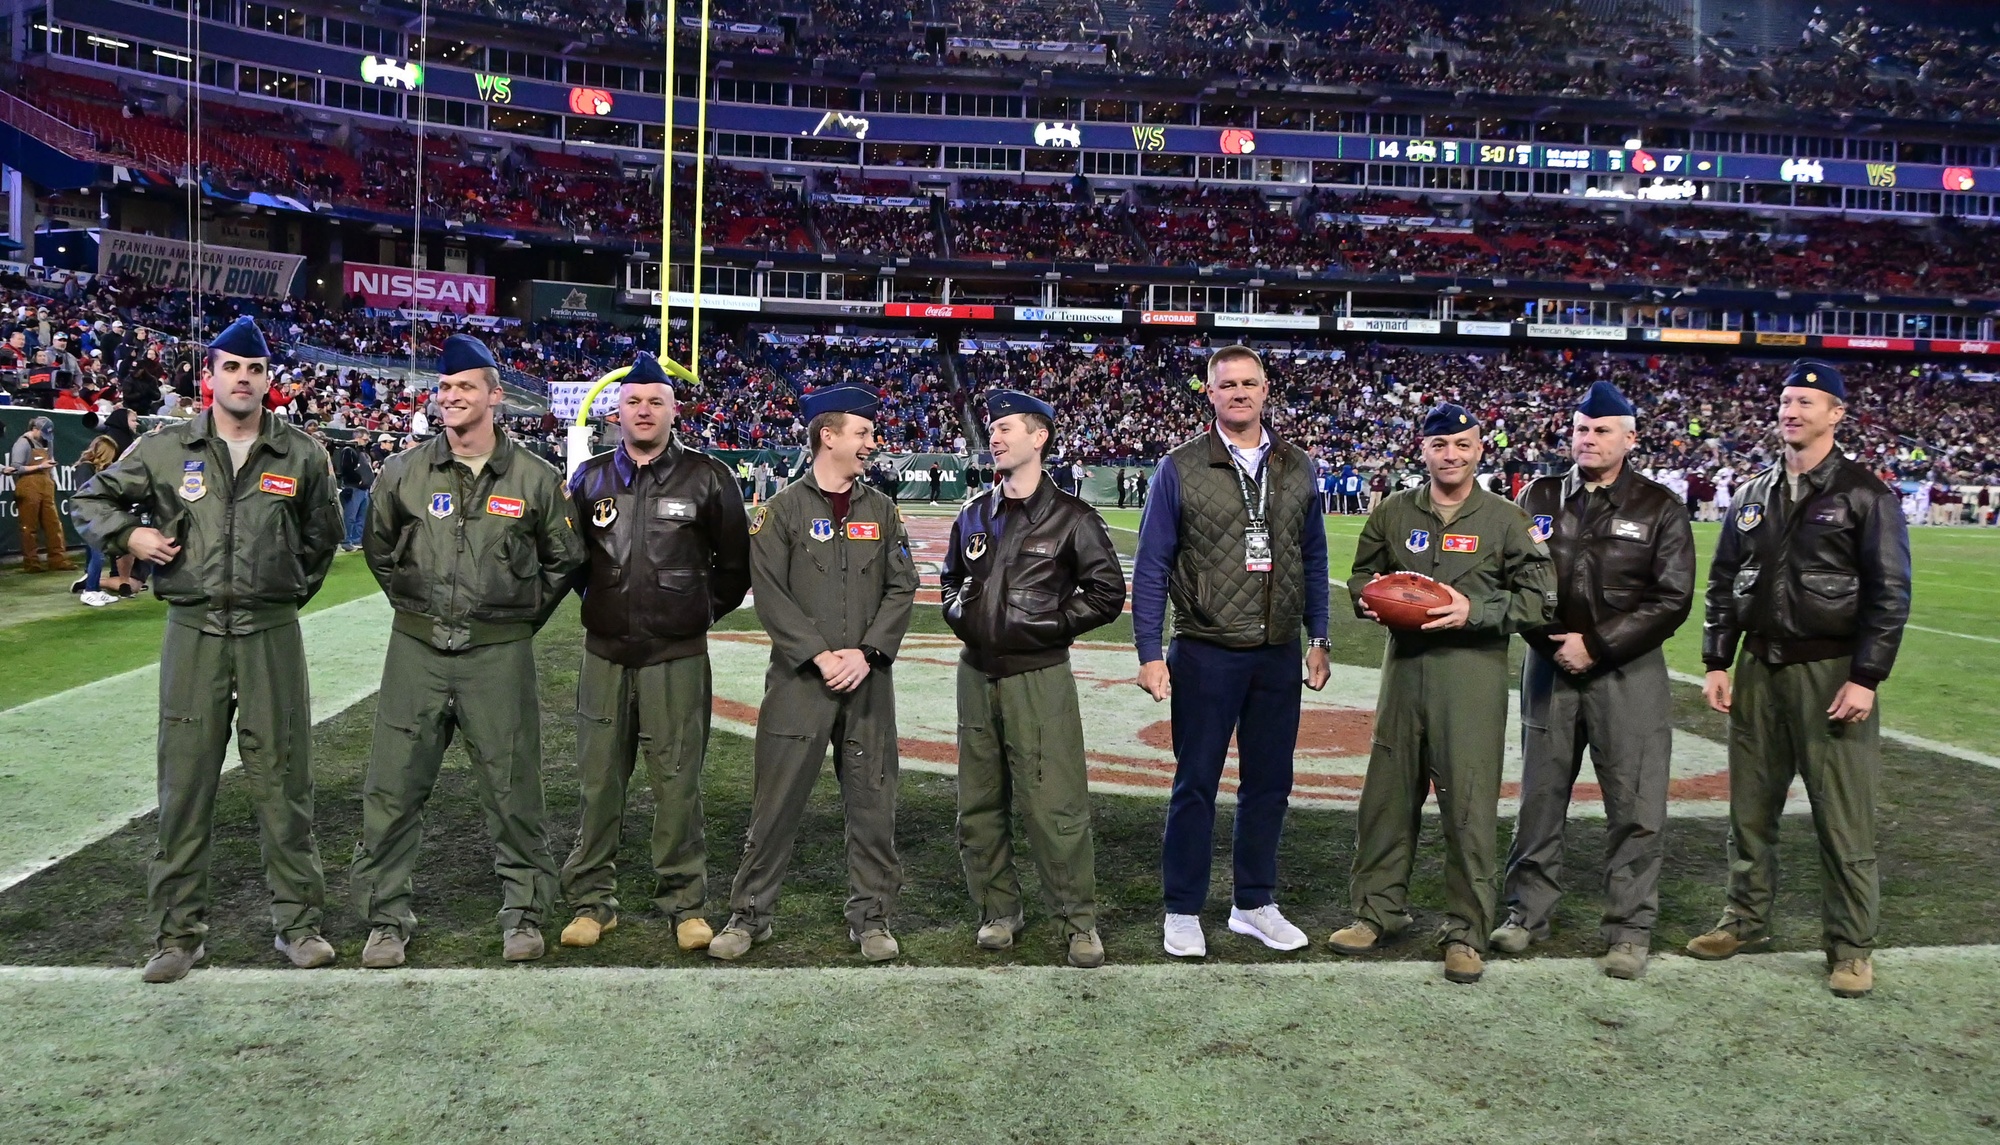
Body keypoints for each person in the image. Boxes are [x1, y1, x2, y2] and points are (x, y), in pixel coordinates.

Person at [71, 317, 344, 984]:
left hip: (270, 634)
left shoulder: (302, 453)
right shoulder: (166, 447)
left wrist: (276, 593)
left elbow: (321, 539)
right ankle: (177, 933)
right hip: (192, 631)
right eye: (232, 368)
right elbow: (90, 495)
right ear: (211, 376)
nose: (243, 378)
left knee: (284, 782)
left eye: (254, 368)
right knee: (185, 783)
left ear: (268, 379)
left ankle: (298, 923)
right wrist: (129, 538)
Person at [351, 334, 586, 969]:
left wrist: (515, 617)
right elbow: (379, 549)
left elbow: (565, 560)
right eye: (445, 388)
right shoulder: (403, 470)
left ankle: (524, 913)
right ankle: (385, 919)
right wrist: (414, 599)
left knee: (512, 787)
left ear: (494, 396)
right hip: (417, 649)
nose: (451, 398)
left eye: (465, 388)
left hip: (497, 655)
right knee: (394, 786)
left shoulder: (535, 477)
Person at [1691, 360, 1911, 999]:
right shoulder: (1753, 492)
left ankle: (1850, 946)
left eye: (1807, 402)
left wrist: (1867, 676)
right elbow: (1725, 581)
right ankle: (1745, 917)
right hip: (1759, 668)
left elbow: (1889, 594)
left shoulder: (1866, 493)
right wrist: (1715, 659)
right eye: (1786, 400)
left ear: (1836, 414)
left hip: (1830, 670)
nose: (1792, 410)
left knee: (1842, 817)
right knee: (1750, 809)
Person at [1328, 403, 1554, 985]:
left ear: (1480, 448)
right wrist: (1375, 597)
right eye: (1439, 445)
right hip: (1403, 673)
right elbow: (1360, 576)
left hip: (1471, 677)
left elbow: (1539, 600)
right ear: (1422, 450)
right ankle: (1378, 912)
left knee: (1469, 807)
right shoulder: (1395, 510)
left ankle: (1465, 933)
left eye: (1461, 444)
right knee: (1386, 799)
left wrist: (1471, 609)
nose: (1450, 454)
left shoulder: (1507, 518)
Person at [1132, 345, 1331, 959]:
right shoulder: (1179, 466)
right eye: (1227, 384)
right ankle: (1183, 908)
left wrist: (1318, 636)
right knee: (1195, 783)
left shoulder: (1298, 466)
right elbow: (1152, 565)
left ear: (1266, 390)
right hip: (1206, 648)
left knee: (1270, 783)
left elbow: (1315, 557)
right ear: (1209, 393)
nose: (1239, 393)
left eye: (1249, 383)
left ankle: (1254, 902)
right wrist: (1148, 650)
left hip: (1277, 651)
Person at [1492, 382, 1695, 980]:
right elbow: (1514, 577)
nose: (1589, 438)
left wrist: (1598, 645)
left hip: (1627, 672)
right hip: (1548, 666)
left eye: (1602, 429)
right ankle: (1526, 914)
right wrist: (1551, 642)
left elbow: (1672, 598)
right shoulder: (1540, 495)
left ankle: (1629, 928)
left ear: (1630, 439)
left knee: (1635, 801)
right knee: (1540, 797)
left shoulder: (1660, 506)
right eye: (1581, 428)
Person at [709, 385, 918, 963]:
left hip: (868, 683)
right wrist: (820, 654)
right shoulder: (780, 511)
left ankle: (871, 917)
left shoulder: (883, 510)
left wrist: (867, 653)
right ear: (828, 436)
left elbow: (903, 587)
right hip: (800, 681)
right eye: (862, 433)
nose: (872, 444)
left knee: (874, 803)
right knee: (773, 803)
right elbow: (769, 594)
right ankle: (750, 914)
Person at [558, 353, 751, 953]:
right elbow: (576, 566)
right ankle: (592, 902)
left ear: (674, 410)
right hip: (606, 655)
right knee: (598, 782)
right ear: (618, 410)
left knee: (678, 784)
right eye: (634, 401)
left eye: (655, 401)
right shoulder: (588, 478)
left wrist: (689, 614)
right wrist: (612, 607)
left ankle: (685, 904)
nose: (644, 410)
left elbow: (734, 569)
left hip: (677, 657)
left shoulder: (709, 477)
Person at [942, 390, 1125, 968]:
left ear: (1038, 436)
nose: (993, 437)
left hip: (1039, 679)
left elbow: (1107, 593)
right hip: (975, 675)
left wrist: (1047, 625)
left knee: (1055, 805)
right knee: (979, 804)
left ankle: (1078, 921)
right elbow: (950, 580)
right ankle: (998, 910)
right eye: (991, 429)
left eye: (1004, 428)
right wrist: (960, 614)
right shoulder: (973, 512)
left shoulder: (1074, 518)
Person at [10, 415, 75, 573]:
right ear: (35, 429)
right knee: (28, 527)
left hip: (46, 484)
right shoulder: (22, 443)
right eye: (44, 433)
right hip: (28, 485)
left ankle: (58, 560)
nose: (47, 438)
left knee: (54, 524)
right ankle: (32, 563)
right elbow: (16, 467)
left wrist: (51, 476)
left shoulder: (48, 441)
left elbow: (49, 459)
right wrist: (40, 466)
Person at [335, 434, 375, 552]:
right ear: (357, 437)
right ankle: (346, 541)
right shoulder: (349, 450)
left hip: (363, 488)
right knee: (350, 516)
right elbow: (346, 469)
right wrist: (357, 480)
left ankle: (357, 540)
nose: (367, 441)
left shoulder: (362, 452)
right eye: (365, 439)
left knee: (361, 517)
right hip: (353, 487)